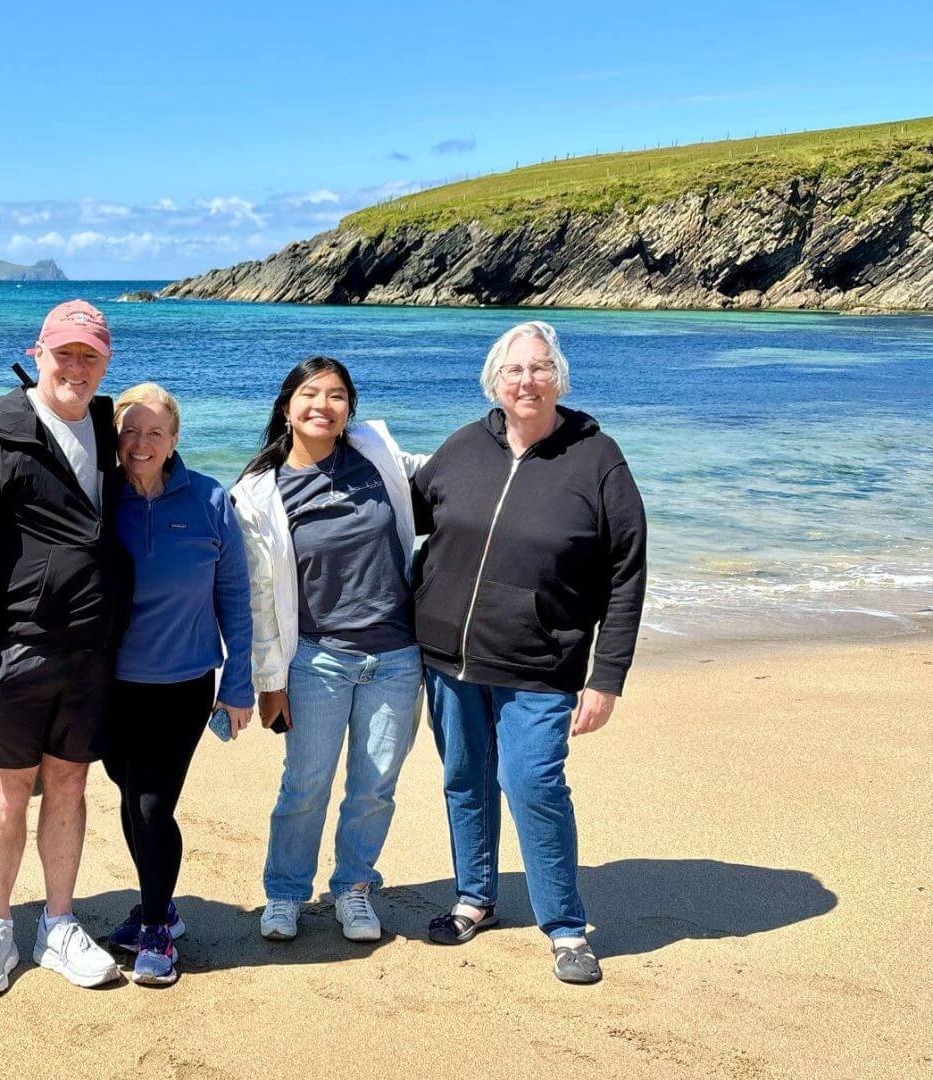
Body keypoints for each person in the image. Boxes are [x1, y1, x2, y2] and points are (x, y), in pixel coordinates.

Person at [411, 320, 647, 986]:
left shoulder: (598, 459)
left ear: (558, 377)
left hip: (541, 665)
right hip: (448, 660)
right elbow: (405, 518)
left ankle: (566, 928)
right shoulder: (464, 447)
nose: (527, 381)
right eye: (515, 371)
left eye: (540, 368)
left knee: (534, 784)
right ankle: (474, 898)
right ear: (495, 381)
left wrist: (608, 676)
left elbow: (627, 572)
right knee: (465, 780)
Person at [0, 299, 128, 995]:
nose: (76, 367)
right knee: (8, 792)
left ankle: (57, 924)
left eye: (90, 356)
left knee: (72, 785)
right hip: (12, 648)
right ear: (38, 353)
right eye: (64, 354)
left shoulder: (108, 429)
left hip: (89, 650)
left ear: (106, 362)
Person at [229, 356, 427, 946]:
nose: (323, 405)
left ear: (350, 409)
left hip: (396, 657)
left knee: (375, 786)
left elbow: (451, 480)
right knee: (305, 785)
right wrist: (268, 682)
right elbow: (258, 601)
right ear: (287, 406)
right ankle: (285, 894)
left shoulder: (377, 457)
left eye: (336, 395)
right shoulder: (257, 495)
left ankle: (354, 888)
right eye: (310, 394)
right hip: (315, 660)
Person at [104, 383, 254, 986]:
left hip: (183, 684)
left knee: (152, 802)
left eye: (154, 433)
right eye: (130, 432)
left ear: (174, 441)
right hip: (108, 684)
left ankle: (159, 931)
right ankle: (154, 902)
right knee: (128, 793)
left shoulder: (212, 500)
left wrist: (238, 684)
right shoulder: (97, 497)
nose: (141, 444)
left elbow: (237, 601)